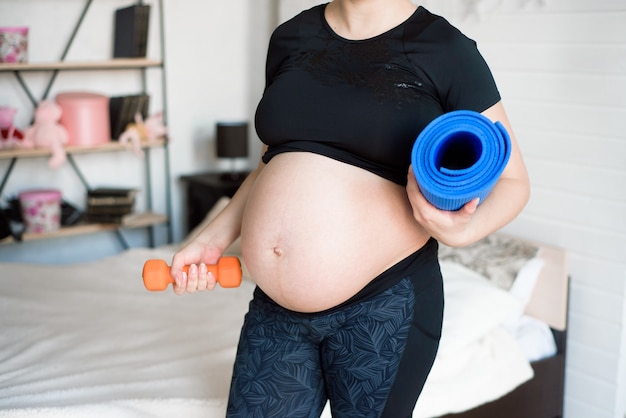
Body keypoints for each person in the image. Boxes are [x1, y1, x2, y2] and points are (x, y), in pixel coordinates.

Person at [170, 0, 530, 417]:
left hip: (383, 305)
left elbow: (513, 183)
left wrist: (460, 232)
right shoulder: (291, 37)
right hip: (276, 310)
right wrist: (210, 240)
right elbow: (273, 162)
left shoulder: (444, 48)